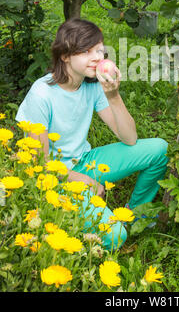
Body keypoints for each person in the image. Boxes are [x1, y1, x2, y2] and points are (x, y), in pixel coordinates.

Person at [15, 18, 169, 250]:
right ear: (65, 55)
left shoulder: (92, 85)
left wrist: (113, 96)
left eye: (99, 50)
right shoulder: (41, 95)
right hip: (56, 177)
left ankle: (136, 215)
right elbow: (41, 166)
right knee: (115, 237)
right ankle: (74, 236)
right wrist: (84, 181)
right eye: (87, 51)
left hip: (85, 161)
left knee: (159, 149)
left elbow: (130, 139)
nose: (98, 57)